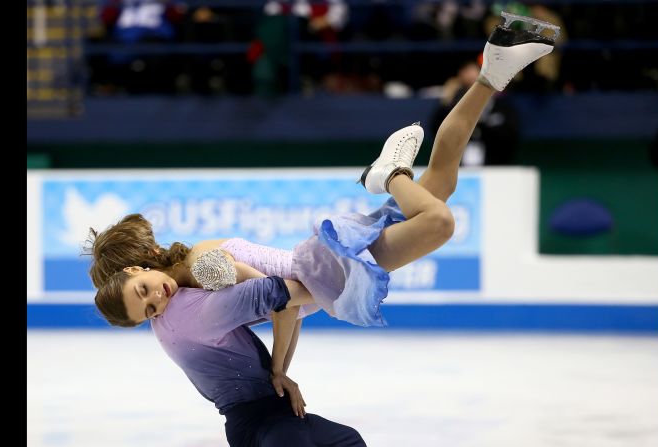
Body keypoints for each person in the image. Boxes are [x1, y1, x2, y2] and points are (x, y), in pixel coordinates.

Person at [90, 12, 559, 446]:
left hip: (322, 267)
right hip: (322, 273)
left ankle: (388, 175)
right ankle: (493, 70)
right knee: (443, 180)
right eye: (151, 309)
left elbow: (281, 294)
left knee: (438, 221)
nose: (160, 303)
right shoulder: (191, 280)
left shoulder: (200, 269)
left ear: (140, 265)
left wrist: (281, 352)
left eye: (147, 291)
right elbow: (284, 306)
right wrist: (279, 372)